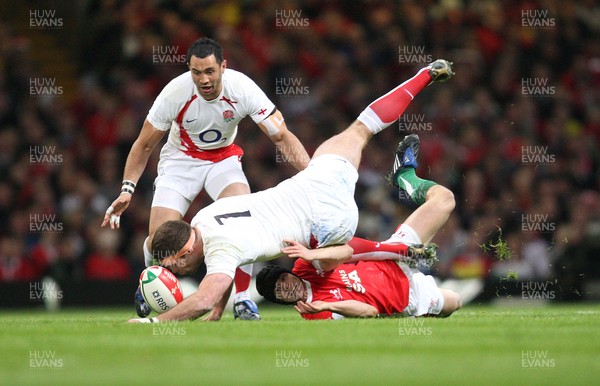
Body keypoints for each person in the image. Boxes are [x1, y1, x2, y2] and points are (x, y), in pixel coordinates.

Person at [127, 59, 455, 323]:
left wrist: (156, 322)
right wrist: (217, 312)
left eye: (176, 266)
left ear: (185, 252)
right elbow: (217, 287)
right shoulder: (203, 216)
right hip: (315, 183)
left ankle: (390, 254)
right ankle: (424, 74)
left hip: (327, 227)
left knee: (319, 265)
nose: (177, 271)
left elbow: (208, 294)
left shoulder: (220, 251)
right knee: (360, 129)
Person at [102, 37, 310, 320]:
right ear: (189, 70)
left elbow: (281, 135)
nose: (204, 79)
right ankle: (149, 283)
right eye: (197, 73)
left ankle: (242, 299)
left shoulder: (243, 89)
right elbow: (143, 144)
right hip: (180, 161)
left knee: (242, 217)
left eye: (210, 71)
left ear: (223, 67)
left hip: (222, 160)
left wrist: (312, 175)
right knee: (159, 240)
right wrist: (127, 189)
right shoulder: (174, 93)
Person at [255, 134, 462, 319]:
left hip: (390, 261)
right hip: (408, 296)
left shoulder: (304, 266)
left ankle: (405, 177)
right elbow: (368, 311)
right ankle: (414, 314)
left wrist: (312, 255)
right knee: (455, 301)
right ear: (280, 301)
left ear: (290, 273)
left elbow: (347, 250)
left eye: (283, 279)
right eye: (279, 291)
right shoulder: (315, 313)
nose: (287, 287)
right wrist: (328, 305)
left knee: (445, 199)